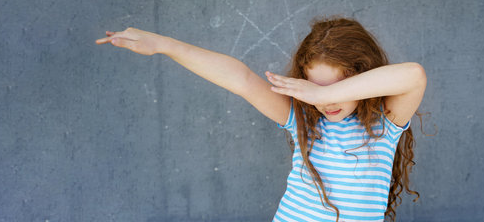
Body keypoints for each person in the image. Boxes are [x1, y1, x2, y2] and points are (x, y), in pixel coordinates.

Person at [95, 17, 426, 222]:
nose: (324, 101)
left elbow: (413, 75)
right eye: (313, 87)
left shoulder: (384, 127)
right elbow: (241, 79)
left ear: (362, 75)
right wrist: (165, 45)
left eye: (338, 88)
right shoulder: (304, 122)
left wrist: (322, 94)